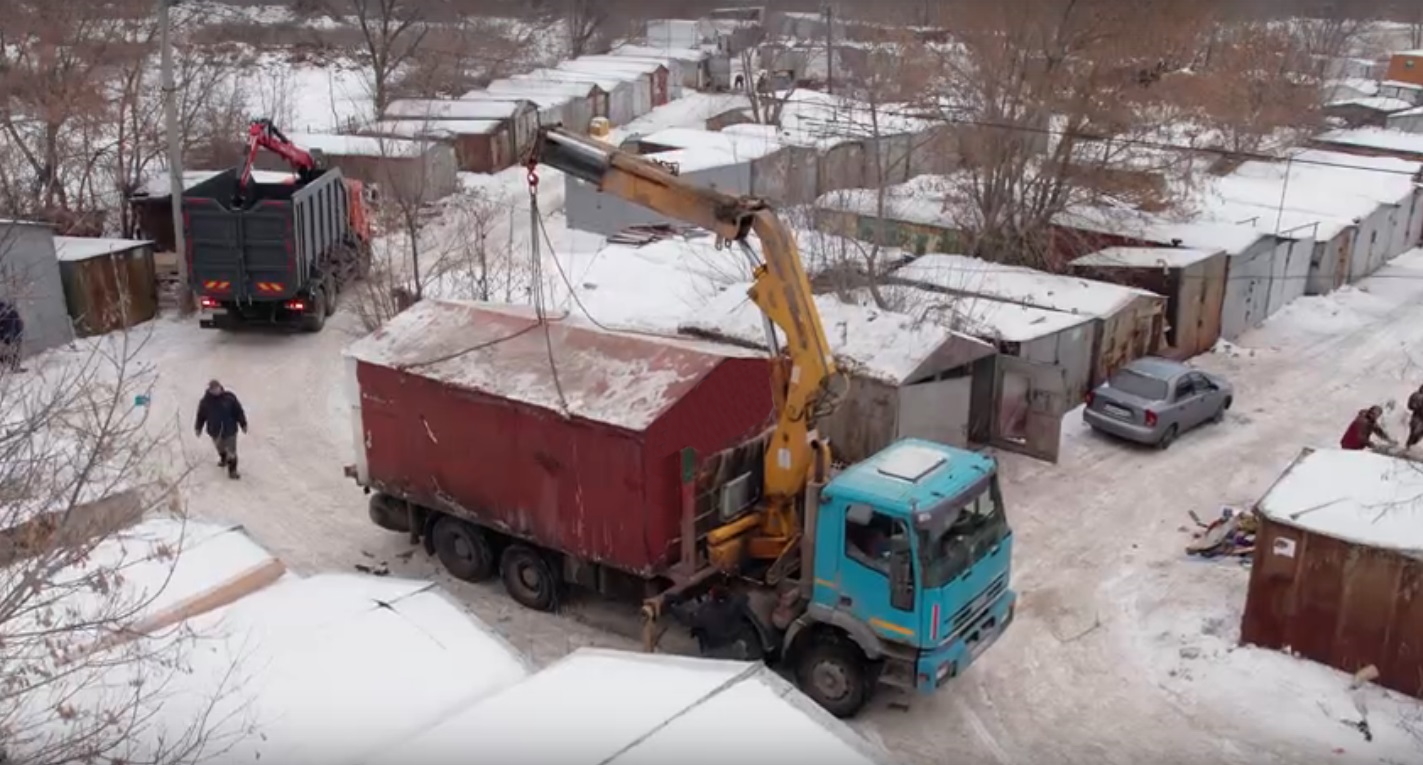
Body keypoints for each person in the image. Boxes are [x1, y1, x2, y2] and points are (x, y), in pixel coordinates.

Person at [195, 379, 247, 479]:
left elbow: (238, 411)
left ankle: (233, 471)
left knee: (231, 451)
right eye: (213, 389)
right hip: (214, 431)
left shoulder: (229, 398)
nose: (216, 391)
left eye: (217, 388)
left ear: (220, 387)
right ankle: (223, 458)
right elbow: (200, 416)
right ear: (210, 390)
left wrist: (243, 423)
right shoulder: (205, 402)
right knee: (220, 447)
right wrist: (198, 428)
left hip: (230, 430)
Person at [0, 299, 24, 372]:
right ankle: (12, 364)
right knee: (15, 350)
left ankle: (12, 364)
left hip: (10, 334)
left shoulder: (7, 310)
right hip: (10, 334)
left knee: (14, 350)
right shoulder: (8, 310)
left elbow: (16, 322)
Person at [1409, 385, 1423, 450]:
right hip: (1417, 418)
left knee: (1419, 435)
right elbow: (1410, 405)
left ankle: (1409, 447)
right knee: (1415, 433)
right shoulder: (1416, 395)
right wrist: (1418, 408)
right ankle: (1408, 446)